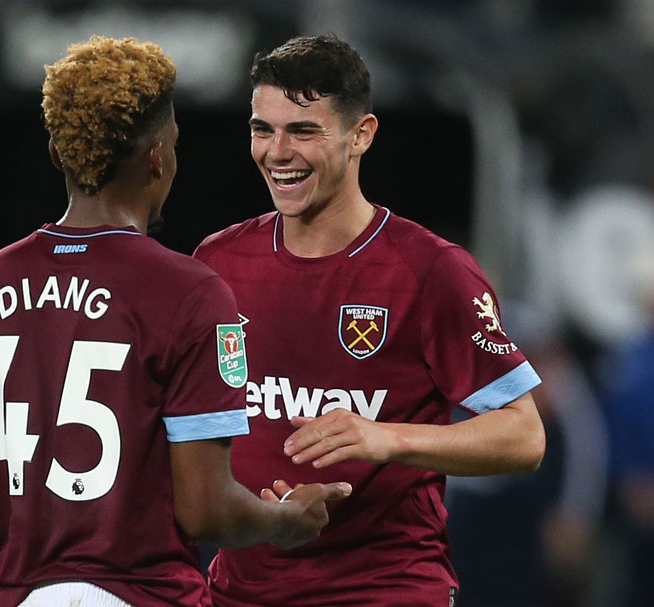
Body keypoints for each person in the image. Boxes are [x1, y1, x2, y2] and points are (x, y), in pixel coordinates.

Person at [0, 36, 350, 607]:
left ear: (57, 154)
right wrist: (283, 520)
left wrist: (51, 530)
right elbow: (206, 509)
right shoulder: (191, 292)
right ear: (158, 157)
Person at [192, 34, 546, 607]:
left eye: (304, 130)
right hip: (242, 591)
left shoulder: (431, 270)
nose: (277, 151)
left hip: (382, 589)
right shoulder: (217, 262)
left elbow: (524, 435)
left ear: (361, 135)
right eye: (263, 129)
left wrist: (385, 437)